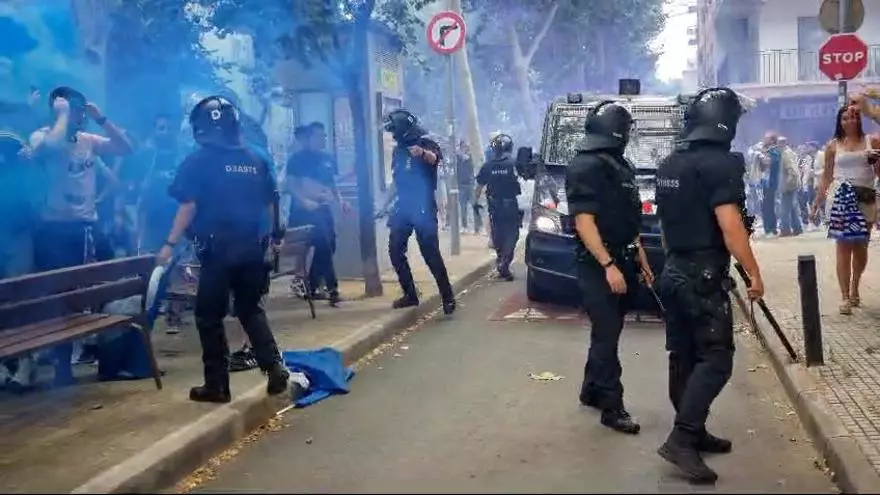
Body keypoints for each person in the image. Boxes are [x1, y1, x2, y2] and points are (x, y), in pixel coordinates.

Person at [654, 87, 765, 484]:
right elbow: (731, 226)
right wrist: (754, 272)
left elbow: (666, 225)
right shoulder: (721, 165)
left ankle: (694, 430)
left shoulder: (669, 163)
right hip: (701, 275)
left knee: (683, 354)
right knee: (716, 357)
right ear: (726, 122)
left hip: (674, 270)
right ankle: (682, 439)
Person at [157, 95, 289, 403]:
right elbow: (272, 203)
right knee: (249, 308)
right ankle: (274, 366)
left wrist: (169, 244)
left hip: (218, 251)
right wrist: (275, 238)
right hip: (252, 249)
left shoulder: (198, 160)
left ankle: (216, 386)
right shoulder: (256, 158)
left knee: (209, 316)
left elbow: (188, 205)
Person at [29, 86, 132, 386]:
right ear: (57, 111)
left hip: (86, 229)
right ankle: (63, 367)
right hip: (53, 232)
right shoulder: (43, 136)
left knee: (90, 295)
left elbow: (126, 148)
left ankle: (99, 353)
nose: (78, 116)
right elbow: (49, 148)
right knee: (61, 301)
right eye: (71, 110)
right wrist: (62, 115)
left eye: (78, 109)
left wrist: (101, 119)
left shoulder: (88, 140)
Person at [564, 101, 651, 435]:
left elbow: (629, 216)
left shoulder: (619, 164)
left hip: (623, 256)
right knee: (606, 331)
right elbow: (584, 222)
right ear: (618, 132)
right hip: (598, 264)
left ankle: (591, 389)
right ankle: (612, 407)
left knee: (608, 330)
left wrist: (639, 254)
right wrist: (608, 265)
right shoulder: (585, 166)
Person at [377, 109, 456, 315]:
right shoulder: (398, 151)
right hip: (403, 206)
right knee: (395, 250)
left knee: (430, 254)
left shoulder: (426, 143)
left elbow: (435, 159)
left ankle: (448, 297)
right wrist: (383, 205)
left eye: (394, 129)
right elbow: (396, 181)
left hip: (423, 206)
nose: (392, 133)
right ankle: (410, 294)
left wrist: (422, 153)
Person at [812, 102, 880, 315]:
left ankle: (855, 287)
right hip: (840, 200)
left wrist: (876, 161)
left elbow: (878, 172)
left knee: (861, 247)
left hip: (865, 199)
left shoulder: (872, 141)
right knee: (843, 247)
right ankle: (844, 296)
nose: (849, 121)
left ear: (859, 119)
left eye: (853, 117)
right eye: (844, 118)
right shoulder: (833, 146)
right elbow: (827, 176)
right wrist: (817, 202)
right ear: (839, 122)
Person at [286, 122, 350, 306]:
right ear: (309, 138)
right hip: (304, 212)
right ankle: (333, 290)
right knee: (323, 245)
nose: (322, 139)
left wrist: (341, 201)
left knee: (330, 245)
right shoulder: (297, 160)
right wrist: (305, 200)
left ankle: (311, 286)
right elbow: (290, 185)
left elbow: (332, 184)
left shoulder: (327, 158)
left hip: (323, 209)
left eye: (324, 136)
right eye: (318, 136)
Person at [138, 114, 186, 333]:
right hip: (152, 221)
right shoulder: (146, 156)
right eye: (160, 128)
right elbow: (138, 192)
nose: (164, 132)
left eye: (167, 128)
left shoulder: (182, 156)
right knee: (150, 271)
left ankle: (174, 316)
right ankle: (148, 315)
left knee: (178, 269)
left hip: (177, 220)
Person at [0, 132, 39, 391]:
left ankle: (25, 362)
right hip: (13, 234)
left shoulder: (12, 143)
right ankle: (6, 364)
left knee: (19, 300)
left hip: (16, 234)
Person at [474, 133, 521, 280]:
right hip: (511, 204)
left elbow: (479, 186)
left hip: (494, 206)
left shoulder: (488, 166)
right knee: (512, 234)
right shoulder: (514, 163)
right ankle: (504, 263)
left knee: (498, 234)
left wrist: (475, 202)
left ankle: (501, 261)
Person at [777, 136, 803, 237]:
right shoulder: (789, 152)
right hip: (792, 184)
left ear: (782, 143)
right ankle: (797, 228)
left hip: (788, 185)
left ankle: (785, 230)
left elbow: (791, 169)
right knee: (792, 207)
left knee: (784, 208)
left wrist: (788, 182)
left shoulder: (785, 153)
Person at [456, 140, 479, 233]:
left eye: (466, 146)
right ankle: (464, 226)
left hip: (470, 184)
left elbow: (474, 167)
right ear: (461, 147)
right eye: (464, 146)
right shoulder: (457, 158)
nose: (465, 148)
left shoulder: (471, 158)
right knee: (463, 207)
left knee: (474, 205)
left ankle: (478, 227)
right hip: (461, 185)